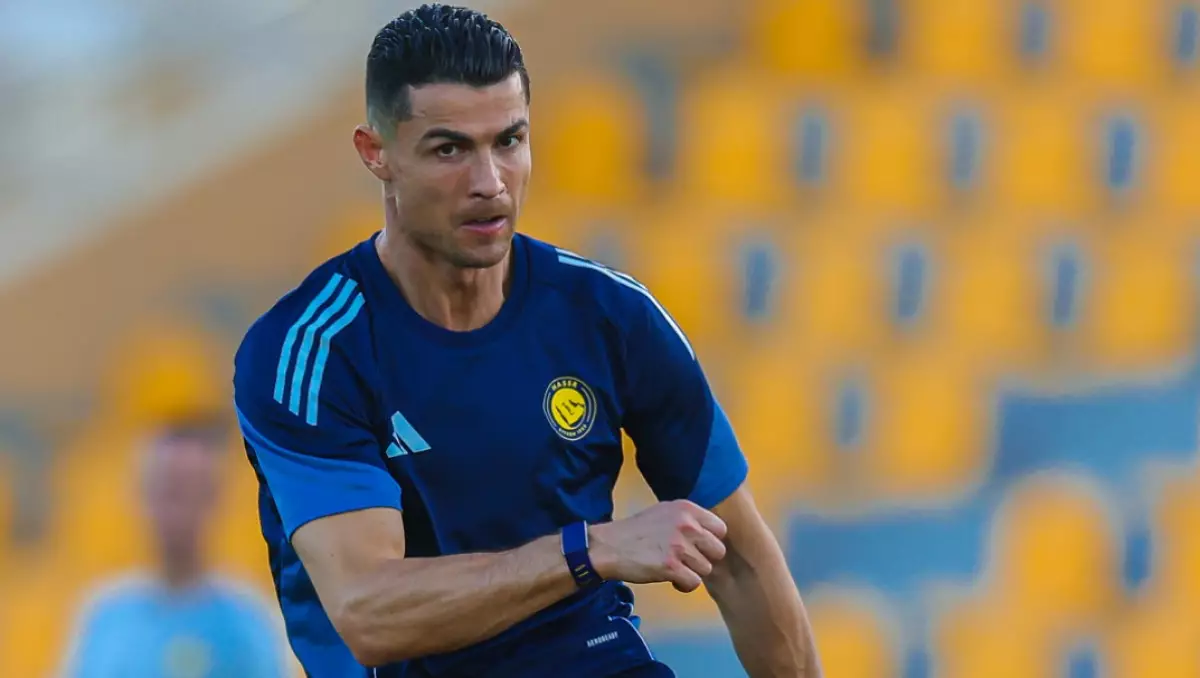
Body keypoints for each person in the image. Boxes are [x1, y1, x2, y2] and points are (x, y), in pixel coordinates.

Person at [232, 4, 820, 677]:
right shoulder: (310, 352)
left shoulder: (610, 315)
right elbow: (370, 613)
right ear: (377, 154)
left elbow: (740, 564)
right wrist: (587, 551)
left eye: (509, 141)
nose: (489, 183)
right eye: (450, 150)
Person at [60, 418, 290, 678]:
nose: (172, 510)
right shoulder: (103, 619)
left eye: (186, 493)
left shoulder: (250, 625)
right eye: (164, 490)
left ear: (213, 500)